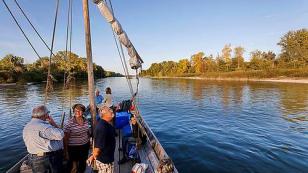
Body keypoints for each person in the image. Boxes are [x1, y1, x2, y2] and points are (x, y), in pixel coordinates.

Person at [23, 105, 64, 173]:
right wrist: (53, 123)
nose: (48, 115)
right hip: (47, 158)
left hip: (33, 157)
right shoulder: (44, 127)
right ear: (45, 115)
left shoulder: (27, 126)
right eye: (48, 113)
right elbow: (61, 134)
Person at [87, 106, 116, 173]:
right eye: (109, 110)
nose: (111, 111)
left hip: (108, 157)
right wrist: (92, 156)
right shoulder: (102, 127)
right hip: (105, 161)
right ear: (103, 114)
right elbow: (98, 147)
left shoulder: (105, 123)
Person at [64, 104, 90, 173]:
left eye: (80, 110)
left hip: (85, 146)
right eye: (75, 110)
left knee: (83, 163)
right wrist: (66, 151)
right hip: (73, 148)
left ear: (83, 112)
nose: (77, 112)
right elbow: (66, 138)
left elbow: (87, 132)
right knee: (71, 166)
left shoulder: (86, 120)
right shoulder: (69, 123)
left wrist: (90, 141)